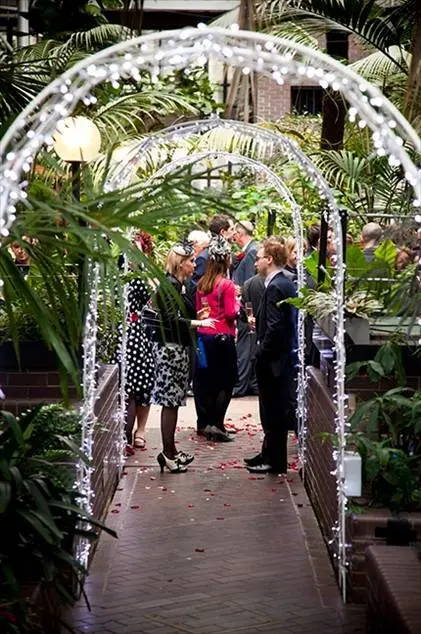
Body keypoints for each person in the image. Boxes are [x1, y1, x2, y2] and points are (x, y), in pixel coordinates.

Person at [152, 242, 216, 473]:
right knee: (170, 402)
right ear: (180, 264)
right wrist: (199, 322)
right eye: (190, 261)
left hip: (176, 347)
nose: (194, 265)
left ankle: (171, 450)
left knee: (174, 401)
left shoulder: (179, 285)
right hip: (171, 350)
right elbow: (171, 320)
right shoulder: (169, 286)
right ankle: (167, 453)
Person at [244, 238, 297, 475]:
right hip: (277, 359)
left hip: (274, 361)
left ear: (270, 259)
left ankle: (275, 460)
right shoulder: (281, 283)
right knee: (270, 408)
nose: (255, 262)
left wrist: (261, 351)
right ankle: (268, 452)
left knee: (273, 410)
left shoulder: (276, 286)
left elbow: (275, 327)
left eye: (259, 257)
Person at [194, 236, 240, 441]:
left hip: (204, 336)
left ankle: (204, 422)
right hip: (223, 336)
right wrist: (238, 303)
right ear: (226, 259)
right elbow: (230, 314)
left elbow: (199, 311)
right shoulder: (227, 285)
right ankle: (217, 423)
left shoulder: (202, 284)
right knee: (225, 381)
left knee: (205, 381)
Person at [192, 214, 235, 285]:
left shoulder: (228, 255)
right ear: (223, 232)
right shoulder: (205, 257)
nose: (235, 232)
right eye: (232, 229)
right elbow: (195, 288)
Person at [231, 221, 258, 286]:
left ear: (239, 234)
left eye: (234, 234)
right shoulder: (249, 249)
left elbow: (250, 279)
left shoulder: (252, 251)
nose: (233, 237)